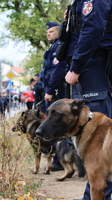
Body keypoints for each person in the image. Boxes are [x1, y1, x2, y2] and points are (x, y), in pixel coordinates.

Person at [63, 0, 112, 199]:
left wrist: (76, 66)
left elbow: (94, 28)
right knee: (91, 139)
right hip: (89, 66)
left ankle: (96, 196)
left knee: (98, 138)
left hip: (92, 66)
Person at [40, 22, 68, 171]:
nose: (48, 34)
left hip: (57, 91)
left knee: (56, 125)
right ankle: (58, 159)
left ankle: (59, 160)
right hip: (53, 90)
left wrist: (49, 90)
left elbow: (57, 70)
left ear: (58, 32)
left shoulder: (58, 47)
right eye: (47, 32)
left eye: (51, 31)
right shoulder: (53, 47)